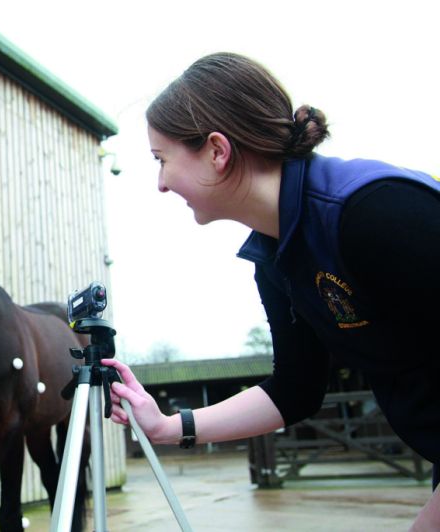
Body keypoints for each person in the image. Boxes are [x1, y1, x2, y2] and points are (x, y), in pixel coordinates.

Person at [101, 52, 440, 530]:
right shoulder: (277, 257)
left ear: (217, 151)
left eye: (162, 159)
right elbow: (296, 389)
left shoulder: (375, 212)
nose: (160, 184)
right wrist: (168, 427)